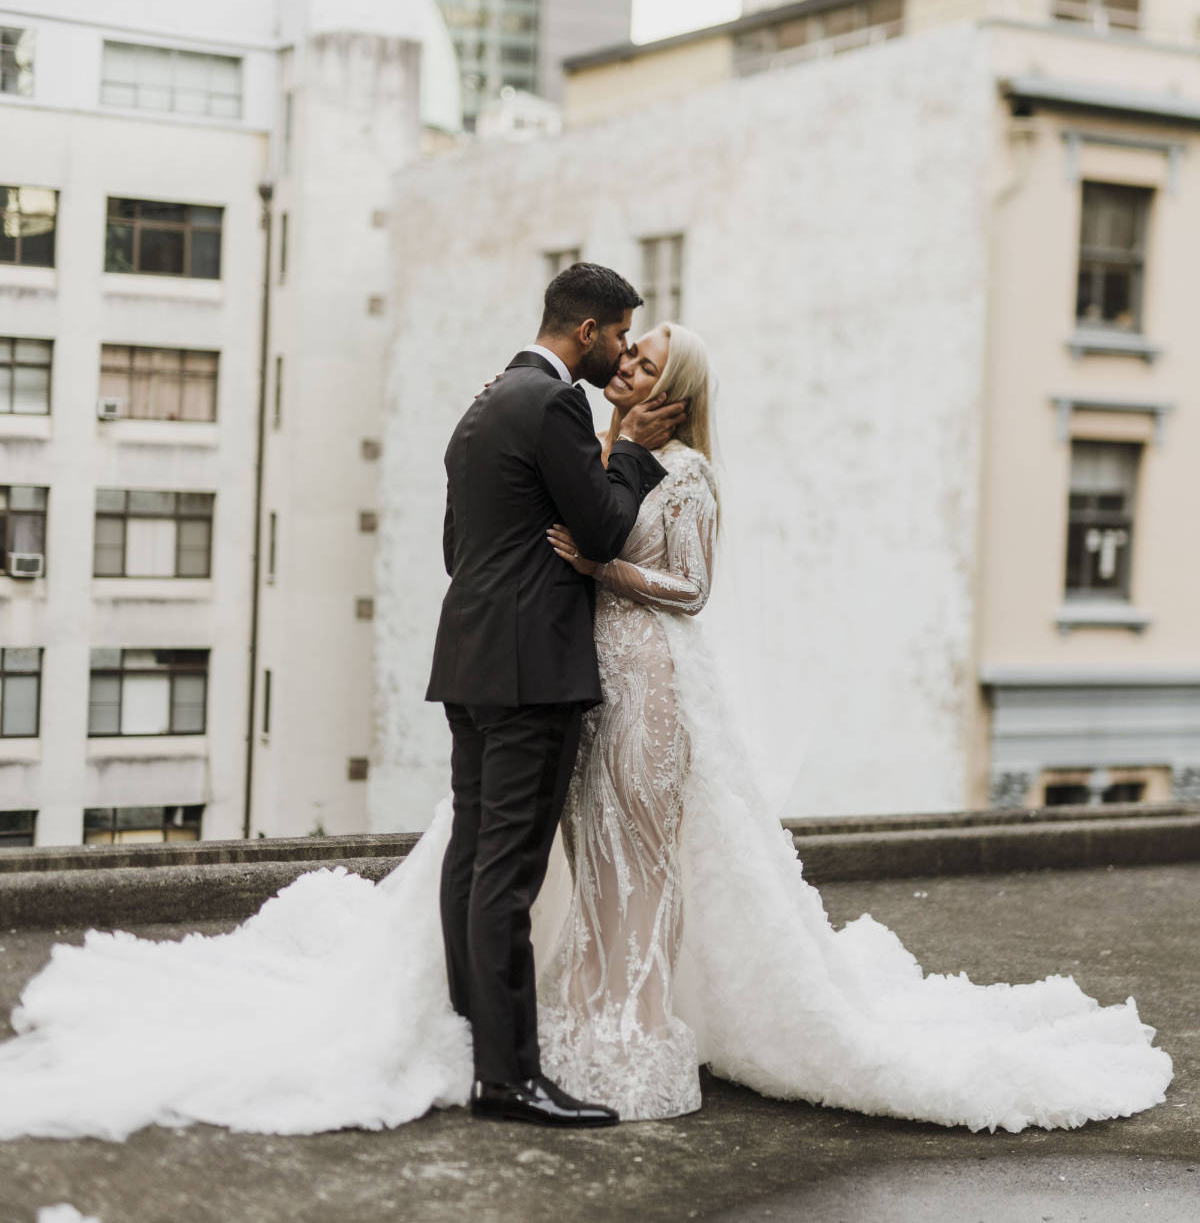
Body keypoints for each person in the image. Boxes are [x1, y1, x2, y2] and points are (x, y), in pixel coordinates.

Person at [0, 311, 1173, 1143]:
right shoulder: (591, 441)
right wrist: (597, 527)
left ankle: (636, 1042)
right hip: (575, 677)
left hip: (653, 681)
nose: (630, 367)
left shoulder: (686, 470)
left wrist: (610, 562)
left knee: (638, 871)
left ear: (675, 383)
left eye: (650, 360)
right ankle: (546, 1033)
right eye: (630, 350)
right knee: (565, 862)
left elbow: (696, 587)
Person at [426, 263, 684, 1128]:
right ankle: (508, 1078)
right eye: (618, 336)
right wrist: (637, 453)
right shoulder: (555, 404)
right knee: (509, 871)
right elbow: (605, 527)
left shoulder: (485, 402)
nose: (619, 354)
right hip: (531, 669)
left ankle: (476, 1040)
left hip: (468, 657)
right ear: (588, 332)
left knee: (473, 858)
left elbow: (458, 546)